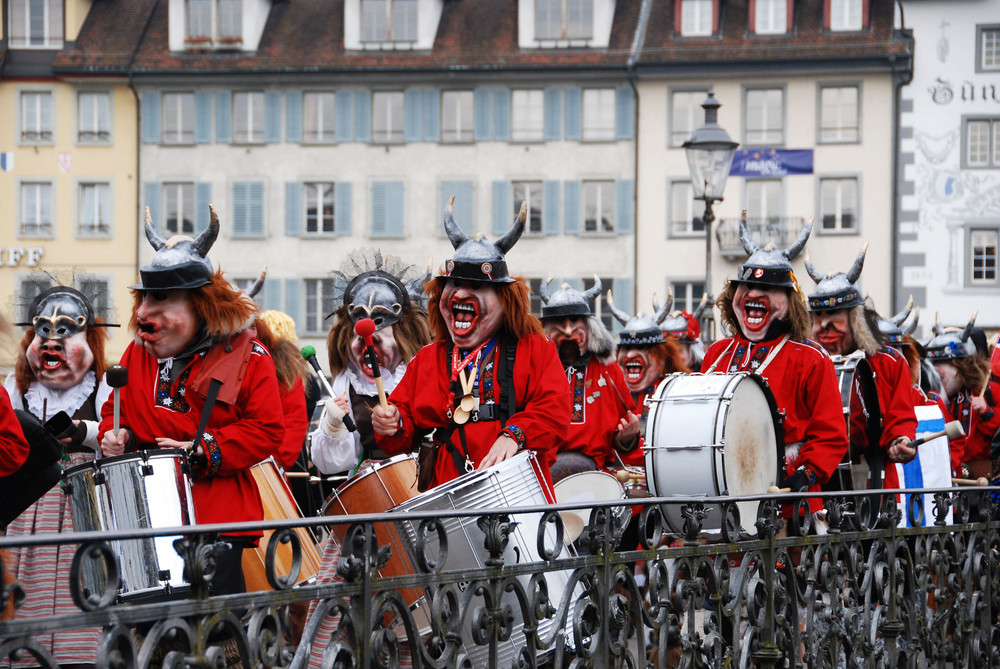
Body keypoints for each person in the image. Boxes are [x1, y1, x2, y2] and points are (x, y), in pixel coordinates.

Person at [98, 206, 285, 595]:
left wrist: (204, 450)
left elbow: (267, 430)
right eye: (145, 297)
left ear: (199, 305)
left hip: (216, 516)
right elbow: (115, 413)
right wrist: (117, 438)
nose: (144, 313)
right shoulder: (137, 354)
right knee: (150, 637)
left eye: (161, 299)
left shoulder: (252, 357)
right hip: (145, 515)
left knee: (218, 638)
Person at [371, 198, 570, 488]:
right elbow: (402, 426)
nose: (460, 294)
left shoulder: (535, 348)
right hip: (448, 496)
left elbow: (555, 409)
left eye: (477, 286)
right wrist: (390, 423)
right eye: (453, 284)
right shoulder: (429, 358)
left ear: (505, 300)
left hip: (517, 490)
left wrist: (514, 434)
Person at [701, 216, 847, 517]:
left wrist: (804, 477)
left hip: (790, 499)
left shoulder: (812, 357)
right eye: (747, 286)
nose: (754, 294)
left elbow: (830, 435)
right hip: (723, 492)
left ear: (788, 301)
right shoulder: (716, 353)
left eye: (767, 287)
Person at [2, 285, 114, 668]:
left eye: (65, 333)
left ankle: (76, 654)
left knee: (78, 577)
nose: (51, 344)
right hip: (28, 498)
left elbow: (116, 433)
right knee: (24, 579)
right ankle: (23, 653)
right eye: (42, 334)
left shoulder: (101, 386)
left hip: (82, 494)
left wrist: (83, 431)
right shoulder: (17, 386)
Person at [309, 249, 431, 476]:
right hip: (372, 486)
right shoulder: (348, 383)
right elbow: (331, 465)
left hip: (421, 481)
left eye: (380, 327)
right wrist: (333, 427)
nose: (367, 340)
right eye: (359, 331)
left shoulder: (422, 370)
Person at [805, 245, 918, 489]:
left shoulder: (890, 362)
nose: (824, 324)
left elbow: (901, 417)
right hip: (814, 482)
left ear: (855, 318)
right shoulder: (806, 362)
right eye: (818, 315)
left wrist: (901, 440)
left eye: (834, 313)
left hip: (873, 481)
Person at [538, 278, 635, 482]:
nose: (567, 330)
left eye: (574, 320)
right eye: (559, 321)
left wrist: (626, 437)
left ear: (590, 326)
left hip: (598, 476)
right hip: (543, 476)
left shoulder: (610, 371)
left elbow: (624, 440)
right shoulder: (535, 370)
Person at [605, 292, 688, 470]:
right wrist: (624, 440)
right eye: (626, 348)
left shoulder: (677, 392)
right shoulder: (608, 393)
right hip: (617, 480)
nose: (630, 354)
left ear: (662, 357)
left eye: (642, 348)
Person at [924, 312, 1000, 479]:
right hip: (948, 476)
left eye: (943, 365)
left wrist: (987, 411)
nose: (936, 372)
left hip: (983, 480)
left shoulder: (989, 392)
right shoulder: (932, 399)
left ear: (961, 367)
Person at [658, 291, 711, 371]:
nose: (672, 356)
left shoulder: (702, 378)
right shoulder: (656, 378)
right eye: (667, 351)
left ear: (692, 355)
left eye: (679, 351)